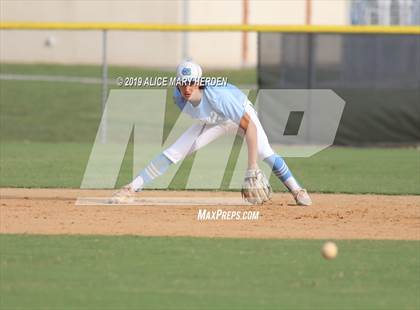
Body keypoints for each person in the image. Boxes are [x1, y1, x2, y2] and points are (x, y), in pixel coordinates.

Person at [111, 60, 311, 206]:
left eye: (191, 82)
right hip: (212, 120)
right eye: (183, 83)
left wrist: (252, 167)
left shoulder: (218, 95)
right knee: (176, 151)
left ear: (199, 82)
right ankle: (131, 187)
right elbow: (203, 115)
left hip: (238, 114)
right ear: (178, 83)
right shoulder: (178, 97)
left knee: (263, 151)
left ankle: (297, 190)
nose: (187, 88)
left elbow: (250, 126)